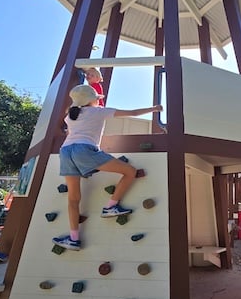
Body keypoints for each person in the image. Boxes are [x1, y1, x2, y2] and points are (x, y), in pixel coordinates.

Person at [51, 83, 163, 250]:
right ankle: (111, 206)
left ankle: (74, 238)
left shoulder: (70, 116)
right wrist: (155, 108)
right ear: (92, 100)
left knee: (73, 199)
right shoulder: (98, 111)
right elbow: (131, 113)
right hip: (85, 150)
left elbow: (72, 136)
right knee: (129, 172)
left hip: (66, 151)